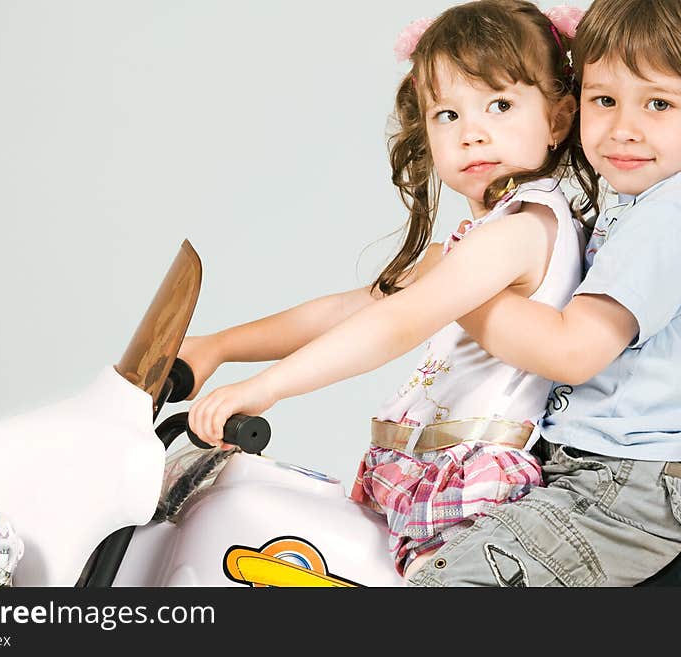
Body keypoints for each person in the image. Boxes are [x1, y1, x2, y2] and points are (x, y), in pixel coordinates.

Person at [181, 0, 595, 578]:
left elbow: (398, 323)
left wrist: (267, 387)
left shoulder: (523, 230)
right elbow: (349, 309)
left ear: (557, 118)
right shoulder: (476, 238)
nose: (472, 133)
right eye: (447, 114)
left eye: (500, 105)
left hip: (475, 487)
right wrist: (218, 345)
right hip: (434, 468)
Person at [398, 0, 681, 586]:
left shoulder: (672, 219)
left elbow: (572, 351)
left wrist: (455, 290)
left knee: (448, 583)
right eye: (604, 100)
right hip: (593, 470)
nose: (623, 127)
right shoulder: (641, 210)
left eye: (659, 104)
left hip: (625, 486)